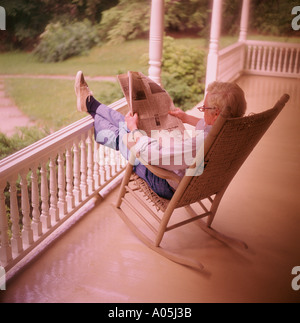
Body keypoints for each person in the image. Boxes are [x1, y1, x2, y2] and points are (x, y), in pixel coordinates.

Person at [74, 71, 247, 199]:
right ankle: (90, 105)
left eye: (204, 108)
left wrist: (134, 130)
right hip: (191, 175)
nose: (202, 111)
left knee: (123, 136)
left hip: (167, 182)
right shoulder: (232, 132)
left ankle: (91, 107)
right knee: (131, 125)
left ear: (216, 113)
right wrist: (186, 118)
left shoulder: (202, 143)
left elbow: (152, 155)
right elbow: (206, 126)